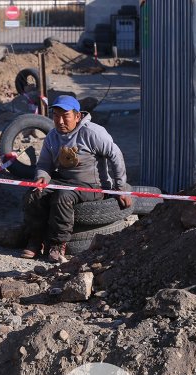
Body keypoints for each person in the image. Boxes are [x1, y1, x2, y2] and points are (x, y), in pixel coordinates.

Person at [21, 95, 132, 263]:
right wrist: (42, 177)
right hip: (64, 181)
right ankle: (36, 240)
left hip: (93, 185)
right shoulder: (52, 136)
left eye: (65, 116)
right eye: (56, 116)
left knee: (62, 197)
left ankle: (58, 245)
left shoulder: (92, 133)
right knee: (34, 194)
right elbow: (44, 163)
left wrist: (120, 188)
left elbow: (115, 155)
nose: (60, 121)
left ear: (77, 116)